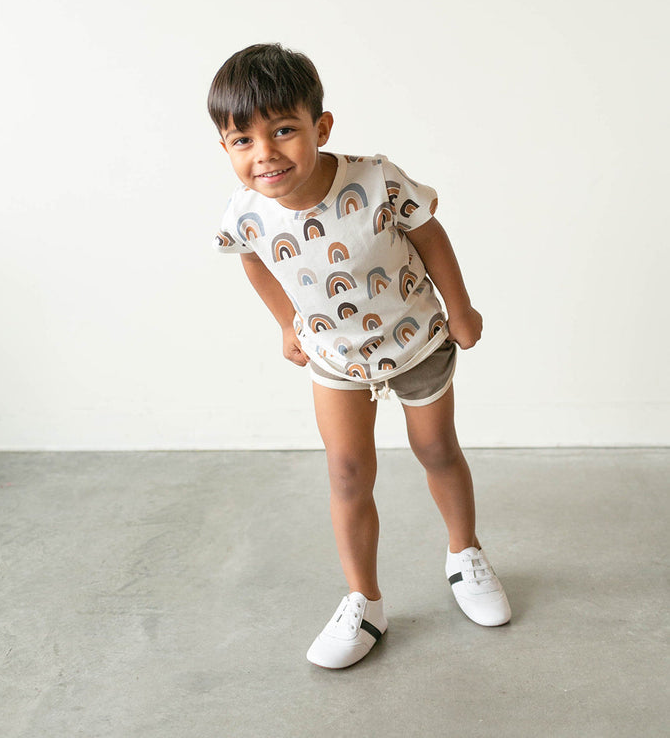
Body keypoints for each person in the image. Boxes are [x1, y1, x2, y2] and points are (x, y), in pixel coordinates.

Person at [208, 42, 511, 669]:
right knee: (347, 473)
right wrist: (286, 324)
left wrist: (461, 307)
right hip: (332, 357)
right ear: (226, 148)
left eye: (284, 131)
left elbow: (429, 234)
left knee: (437, 449)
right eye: (243, 141)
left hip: (415, 339)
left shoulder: (374, 178)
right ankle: (364, 601)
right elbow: (255, 263)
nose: (265, 153)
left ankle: (465, 554)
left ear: (321, 127)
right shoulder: (247, 213)